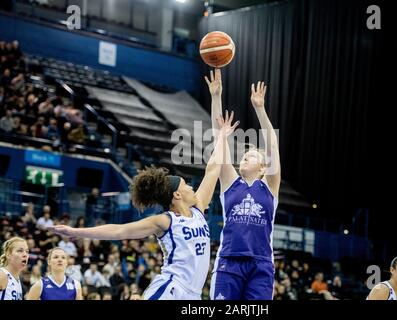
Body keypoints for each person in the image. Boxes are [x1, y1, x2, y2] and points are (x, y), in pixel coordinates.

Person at [48, 113, 238, 300]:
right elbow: (119, 231)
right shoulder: (165, 221)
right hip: (171, 288)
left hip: (193, 295)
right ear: (177, 195)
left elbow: (213, 168)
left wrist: (222, 137)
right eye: (186, 185)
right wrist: (76, 231)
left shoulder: (198, 208)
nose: (191, 187)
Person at [205, 69, 281, 300]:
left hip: (261, 264)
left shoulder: (270, 186)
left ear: (263, 168)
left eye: (251, 157)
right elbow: (219, 138)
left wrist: (259, 108)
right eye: (244, 156)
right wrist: (216, 97)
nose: (244, 158)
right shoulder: (230, 183)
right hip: (230, 260)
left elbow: (273, 146)